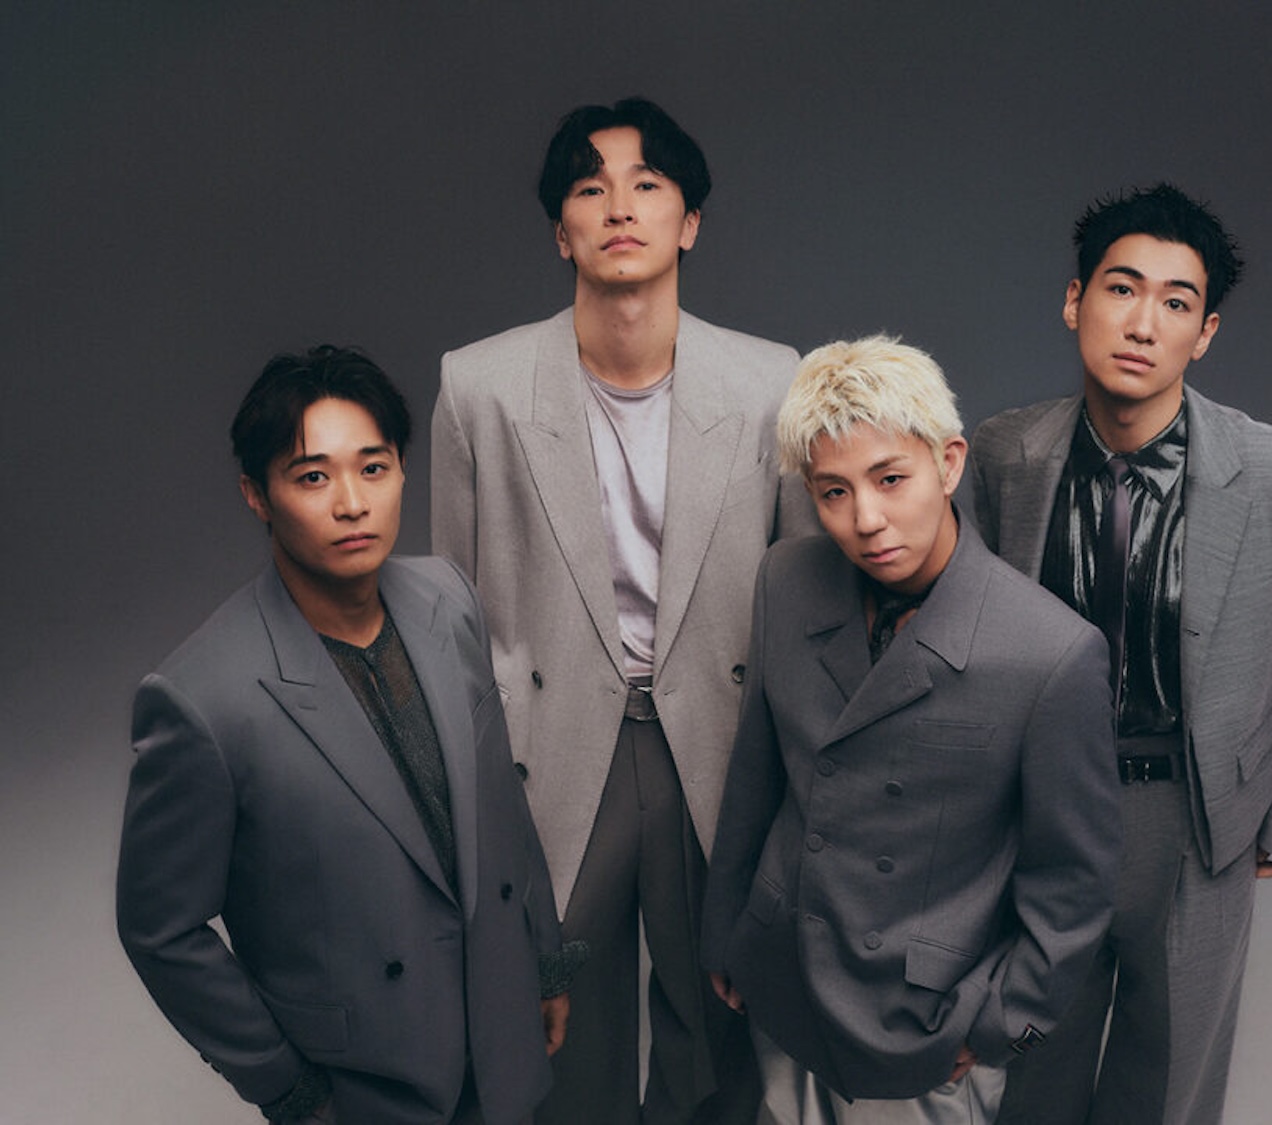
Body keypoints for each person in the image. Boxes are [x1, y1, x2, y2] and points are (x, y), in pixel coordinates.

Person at [431, 97, 815, 1125]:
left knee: (720, 1035)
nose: (619, 206)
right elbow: (451, 617)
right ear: (560, 231)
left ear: (690, 222)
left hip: (718, 742)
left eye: (648, 183)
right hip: (551, 746)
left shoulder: (772, 380)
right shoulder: (478, 387)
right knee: (559, 1037)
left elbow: (801, 605)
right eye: (589, 187)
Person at [971, 184, 1272, 1124]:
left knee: (1168, 1079)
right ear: (1075, 301)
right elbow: (966, 643)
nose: (1143, 323)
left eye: (1176, 302)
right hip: (1045, 807)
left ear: (1205, 332)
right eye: (1121, 289)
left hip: (1192, 819)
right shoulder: (1004, 454)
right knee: (1031, 1064)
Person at [117, 346, 569, 1125]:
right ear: (256, 494)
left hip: (501, 1034)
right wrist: (285, 1084)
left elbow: (500, 800)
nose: (353, 503)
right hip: (363, 1081)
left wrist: (545, 958)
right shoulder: (201, 699)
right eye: (312, 477)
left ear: (402, 471)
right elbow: (159, 928)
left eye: (374, 467)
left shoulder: (449, 598)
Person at [701, 336, 1120, 1124]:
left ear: (949, 463)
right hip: (781, 976)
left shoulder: (1051, 651)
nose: (866, 519)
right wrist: (726, 932)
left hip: (923, 1018)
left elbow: (1074, 886)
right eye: (834, 491)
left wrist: (1002, 1028)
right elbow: (754, 775)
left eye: (891, 479)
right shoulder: (786, 579)